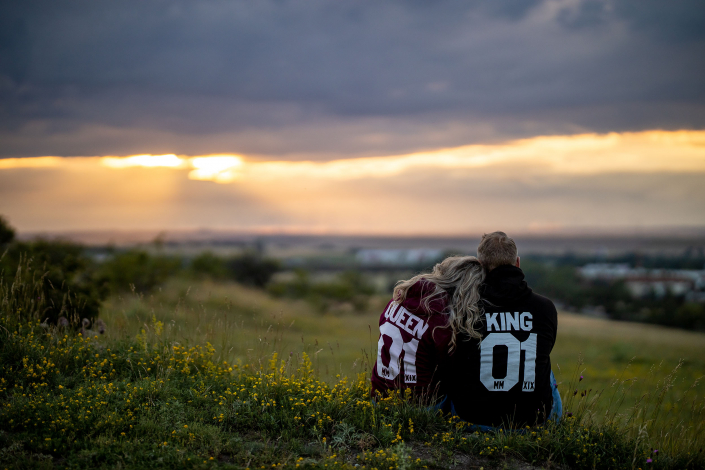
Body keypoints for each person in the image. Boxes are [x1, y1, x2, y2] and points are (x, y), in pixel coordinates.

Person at [446, 232, 561, 429]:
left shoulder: (467, 307)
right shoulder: (545, 308)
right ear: (517, 262)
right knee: (544, 367)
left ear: (481, 266)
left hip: (473, 418)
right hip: (531, 422)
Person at [370, 256, 485, 405]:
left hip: (379, 396)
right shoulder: (441, 323)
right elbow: (451, 374)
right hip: (418, 405)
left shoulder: (398, 299)